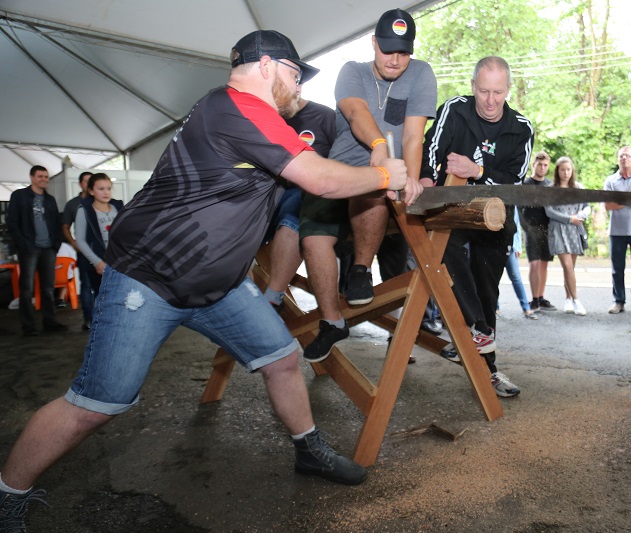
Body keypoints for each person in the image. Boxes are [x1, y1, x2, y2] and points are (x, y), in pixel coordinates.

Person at [0, 29, 415, 530]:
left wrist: (373, 151)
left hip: (216, 286)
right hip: (150, 281)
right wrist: (388, 175)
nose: (297, 87)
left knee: (282, 359)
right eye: (292, 74)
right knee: (96, 404)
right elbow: (320, 178)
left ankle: (308, 449)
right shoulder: (237, 107)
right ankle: (8, 496)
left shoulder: (243, 113)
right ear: (266, 67)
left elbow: (314, 162)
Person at [299, 8, 435, 363]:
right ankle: (331, 320)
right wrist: (377, 147)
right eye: (387, 49)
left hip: (385, 174)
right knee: (313, 235)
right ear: (373, 43)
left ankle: (361, 267)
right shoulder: (351, 72)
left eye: (403, 52)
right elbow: (357, 112)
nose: (395, 59)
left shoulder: (421, 74)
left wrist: (408, 179)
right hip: (341, 167)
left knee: (377, 187)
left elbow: (413, 135)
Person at [420, 56, 534, 398]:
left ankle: (488, 369)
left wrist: (477, 171)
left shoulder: (522, 127)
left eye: (498, 92)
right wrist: (427, 181)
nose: (490, 100)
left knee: (487, 288)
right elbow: (430, 150)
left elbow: (514, 183)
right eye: (483, 91)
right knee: (445, 253)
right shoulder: (454, 110)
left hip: (494, 216)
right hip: (452, 209)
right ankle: (476, 328)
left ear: (508, 89)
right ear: (473, 87)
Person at [259, 97, 336, 309]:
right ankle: (240, 295)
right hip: (266, 193)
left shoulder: (324, 116)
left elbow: (340, 161)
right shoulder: (262, 116)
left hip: (305, 193)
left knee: (298, 206)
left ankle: (273, 298)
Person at [6, 165, 66, 336]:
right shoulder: (19, 196)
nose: (44, 179)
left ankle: (50, 322)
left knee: (48, 288)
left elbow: (56, 223)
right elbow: (13, 222)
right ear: (32, 177)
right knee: (26, 288)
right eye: (40, 176)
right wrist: (23, 244)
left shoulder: (50, 200)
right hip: (29, 248)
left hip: (48, 249)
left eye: (46, 177)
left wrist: (56, 244)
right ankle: (28, 326)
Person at [603, 146, 631, 315]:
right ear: (617, 159)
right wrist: (630, 200)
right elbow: (608, 205)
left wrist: (620, 200)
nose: (624, 159)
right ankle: (618, 301)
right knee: (617, 269)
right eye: (621, 156)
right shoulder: (610, 181)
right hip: (617, 231)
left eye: (628, 156)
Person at [74, 173, 124, 321]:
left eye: (109, 188)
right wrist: (97, 262)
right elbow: (81, 241)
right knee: (103, 300)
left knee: (121, 299)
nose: (106, 192)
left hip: (119, 262)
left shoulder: (118, 208)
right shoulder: (84, 211)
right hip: (98, 264)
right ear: (91, 191)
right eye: (101, 188)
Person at [544, 156, 589, 316]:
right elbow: (549, 211)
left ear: (572, 171)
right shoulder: (550, 189)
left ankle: (568, 299)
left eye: (568, 169)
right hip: (558, 230)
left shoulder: (578, 187)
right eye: (562, 169)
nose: (566, 172)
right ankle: (577, 300)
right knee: (567, 266)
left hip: (575, 230)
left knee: (571, 268)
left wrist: (581, 215)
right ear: (557, 171)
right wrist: (569, 218)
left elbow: (587, 206)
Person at [520, 151, 556, 312]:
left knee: (544, 264)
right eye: (539, 164)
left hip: (548, 230)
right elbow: (518, 210)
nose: (542, 167)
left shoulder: (550, 185)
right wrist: (526, 228)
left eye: (545, 165)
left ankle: (541, 298)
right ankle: (533, 299)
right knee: (534, 264)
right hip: (531, 230)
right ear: (533, 164)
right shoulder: (525, 185)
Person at [61, 171, 95, 326]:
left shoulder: (99, 200)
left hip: (102, 251)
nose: (88, 184)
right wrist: (74, 244)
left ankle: (103, 319)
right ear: (81, 183)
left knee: (104, 286)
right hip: (83, 251)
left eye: (91, 181)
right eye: (86, 181)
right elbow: (65, 226)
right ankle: (88, 319)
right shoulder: (73, 204)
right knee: (87, 285)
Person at [497, 208, 536, 319]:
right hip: (495, 246)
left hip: (511, 247)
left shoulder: (511, 204)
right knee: (494, 279)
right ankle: (495, 308)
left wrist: (518, 247)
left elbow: (517, 225)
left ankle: (526, 308)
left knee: (516, 277)